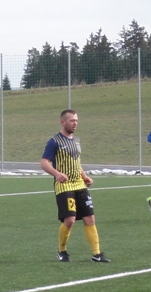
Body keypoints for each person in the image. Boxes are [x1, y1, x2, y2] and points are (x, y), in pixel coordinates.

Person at [40, 109, 109, 263]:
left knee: (89, 218)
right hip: (64, 186)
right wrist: (57, 174)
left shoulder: (76, 140)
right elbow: (44, 163)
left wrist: (85, 176)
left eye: (76, 120)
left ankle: (97, 254)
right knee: (70, 220)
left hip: (79, 184)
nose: (75, 123)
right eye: (72, 120)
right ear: (62, 122)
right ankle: (61, 250)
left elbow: (76, 162)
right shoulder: (54, 141)